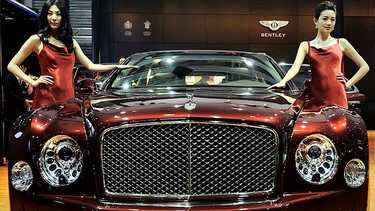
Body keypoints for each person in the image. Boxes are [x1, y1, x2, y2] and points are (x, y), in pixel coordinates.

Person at [7, 0, 133, 110]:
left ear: (64, 17)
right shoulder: (37, 40)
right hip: (46, 96)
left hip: (68, 96)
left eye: (58, 14)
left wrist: (116, 66)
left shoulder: (71, 42)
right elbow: (12, 65)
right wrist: (32, 82)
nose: (54, 18)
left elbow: (91, 66)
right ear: (45, 16)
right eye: (50, 13)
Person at [268, 1, 369, 111]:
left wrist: (347, 84)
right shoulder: (306, 45)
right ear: (315, 21)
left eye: (332, 19)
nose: (329, 23)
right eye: (325, 19)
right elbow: (295, 68)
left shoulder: (342, 43)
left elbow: (364, 67)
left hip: (337, 95)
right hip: (316, 96)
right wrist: (283, 81)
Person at [3, 61, 33, 162]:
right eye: (24, 69)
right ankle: (8, 156)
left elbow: (20, 96)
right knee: (10, 134)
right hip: (11, 112)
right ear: (20, 67)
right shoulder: (9, 78)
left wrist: (27, 94)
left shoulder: (20, 81)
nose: (24, 72)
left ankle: (16, 155)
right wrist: (24, 100)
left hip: (19, 111)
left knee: (19, 133)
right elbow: (10, 94)